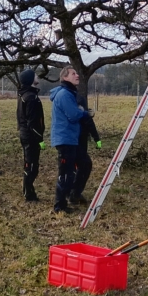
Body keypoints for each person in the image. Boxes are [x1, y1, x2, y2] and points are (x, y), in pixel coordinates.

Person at [49, 66, 92, 214]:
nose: (77, 75)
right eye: (74, 73)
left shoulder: (70, 93)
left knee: (85, 164)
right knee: (66, 173)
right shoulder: (64, 95)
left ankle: (74, 194)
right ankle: (59, 206)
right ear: (65, 77)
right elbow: (73, 115)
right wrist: (86, 113)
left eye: (77, 72)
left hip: (72, 139)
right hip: (64, 139)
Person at [17, 68, 45, 202]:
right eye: (35, 75)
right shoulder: (31, 97)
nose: (37, 76)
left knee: (30, 164)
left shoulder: (26, 95)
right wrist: (39, 139)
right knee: (32, 166)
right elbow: (32, 122)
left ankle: (28, 191)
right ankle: (28, 193)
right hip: (30, 137)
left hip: (26, 135)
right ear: (30, 80)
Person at [69, 92, 101, 206]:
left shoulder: (67, 98)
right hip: (76, 141)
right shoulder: (78, 100)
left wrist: (96, 138)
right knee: (84, 165)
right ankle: (74, 193)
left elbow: (88, 121)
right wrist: (96, 138)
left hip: (70, 140)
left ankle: (73, 192)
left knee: (75, 167)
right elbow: (88, 121)